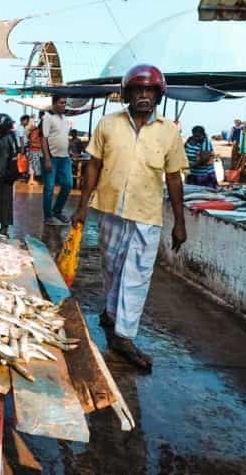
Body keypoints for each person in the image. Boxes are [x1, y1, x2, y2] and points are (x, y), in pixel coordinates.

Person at [71, 64, 187, 371]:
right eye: (138, 90)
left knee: (136, 274)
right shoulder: (109, 124)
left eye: (149, 90)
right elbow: (93, 165)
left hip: (146, 214)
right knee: (112, 267)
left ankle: (124, 336)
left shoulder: (169, 131)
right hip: (110, 208)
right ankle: (111, 312)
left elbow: (174, 178)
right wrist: (83, 205)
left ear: (159, 95)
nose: (144, 96)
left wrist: (180, 222)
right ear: (128, 94)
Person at [41, 95, 73, 226]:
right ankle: (48, 216)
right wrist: (47, 159)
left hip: (64, 158)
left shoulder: (66, 119)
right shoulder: (47, 118)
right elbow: (44, 139)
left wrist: (69, 151)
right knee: (49, 188)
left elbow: (64, 137)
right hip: (51, 157)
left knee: (68, 184)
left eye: (65, 103)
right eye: (61, 103)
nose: (63, 105)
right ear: (54, 103)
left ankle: (57, 210)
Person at [27, 117, 44, 187]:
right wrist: (40, 145)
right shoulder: (36, 131)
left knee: (33, 165)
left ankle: (31, 180)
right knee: (33, 165)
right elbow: (32, 141)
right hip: (34, 150)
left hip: (36, 150)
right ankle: (31, 180)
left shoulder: (38, 131)